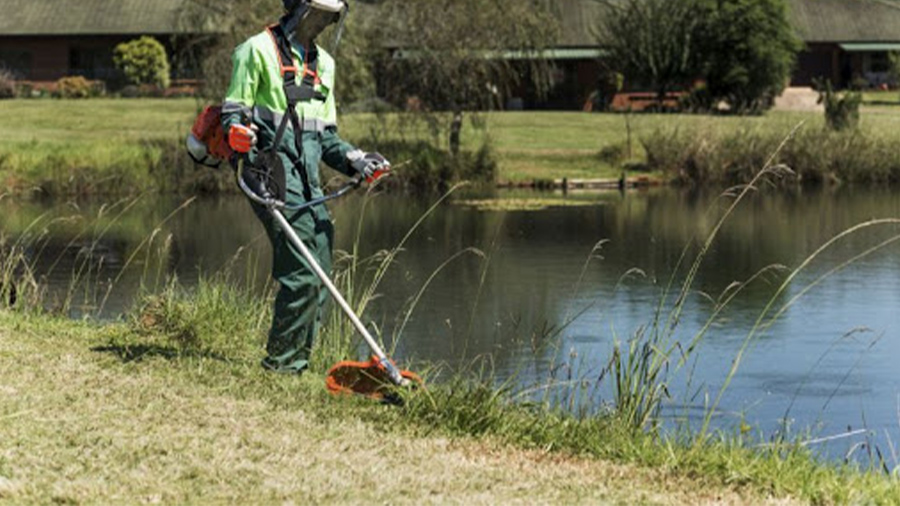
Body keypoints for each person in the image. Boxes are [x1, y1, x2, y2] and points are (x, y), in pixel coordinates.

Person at [221, 0, 389, 374]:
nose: (327, 21)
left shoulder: (324, 65)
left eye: (332, 15)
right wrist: (236, 132)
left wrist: (356, 160)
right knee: (301, 268)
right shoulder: (256, 50)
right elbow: (232, 113)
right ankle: (282, 366)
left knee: (322, 262)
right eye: (320, 12)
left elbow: (327, 139)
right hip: (268, 171)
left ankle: (301, 362)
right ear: (298, 8)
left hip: (307, 177)